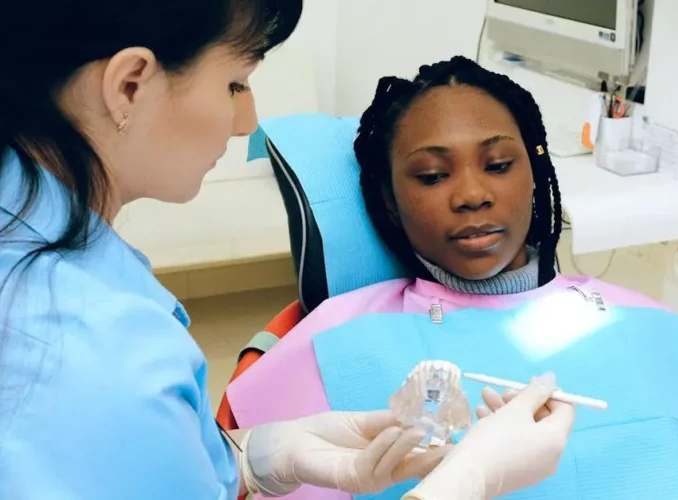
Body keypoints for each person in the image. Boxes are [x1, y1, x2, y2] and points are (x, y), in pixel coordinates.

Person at [0, 1, 575, 499]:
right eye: (235, 82)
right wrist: (463, 481)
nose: (246, 121)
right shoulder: (99, 353)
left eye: (499, 165)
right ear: (130, 85)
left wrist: (250, 458)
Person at [225, 56, 678, 499]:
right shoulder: (333, 337)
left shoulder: (650, 327)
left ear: (537, 173)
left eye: (498, 164)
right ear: (388, 197)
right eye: (432, 175)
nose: (472, 194)